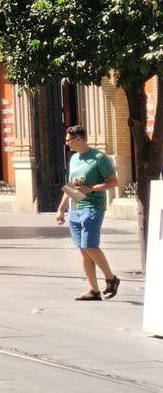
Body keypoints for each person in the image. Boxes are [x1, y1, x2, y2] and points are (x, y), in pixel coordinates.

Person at [56, 125, 121, 301]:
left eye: (68, 140)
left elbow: (113, 182)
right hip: (75, 210)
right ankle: (93, 290)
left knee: (90, 246)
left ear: (78, 138)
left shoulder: (99, 158)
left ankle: (111, 278)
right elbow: (71, 186)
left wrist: (91, 189)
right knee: (84, 251)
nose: (66, 143)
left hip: (93, 208)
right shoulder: (74, 159)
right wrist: (61, 209)